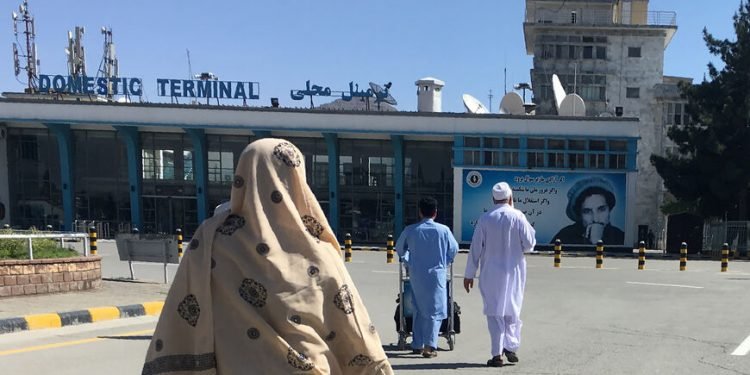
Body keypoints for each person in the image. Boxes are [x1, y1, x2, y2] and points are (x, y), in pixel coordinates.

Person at [142, 139, 393, 375]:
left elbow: (182, 312)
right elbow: (353, 327)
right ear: (295, 179)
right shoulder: (318, 251)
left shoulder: (211, 242)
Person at [464, 182, 536, 367]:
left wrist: (469, 274)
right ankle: (511, 346)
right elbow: (529, 245)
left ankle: (497, 355)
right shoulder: (518, 216)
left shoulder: (485, 219)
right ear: (511, 198)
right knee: (512, 309)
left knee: (494, 312)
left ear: (493, 199)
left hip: (491, 274)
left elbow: (475, 248)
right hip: (514, 272)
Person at [395, 197, 458, 358]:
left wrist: (408, 260)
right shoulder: (444, 230)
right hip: (437, 275)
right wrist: (446, 261)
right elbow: (454, 249)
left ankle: (417, 343)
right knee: (435, 310)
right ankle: (430, 345)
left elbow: (400, 248)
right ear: (435, 212)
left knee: (418, 308)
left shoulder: (411, 230)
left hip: (416, 274)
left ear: (420, 212)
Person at [551, 176, 625, 245]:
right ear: (579, 214)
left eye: (601, 209)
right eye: (587, 212)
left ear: (609, 209)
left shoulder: (620, 237)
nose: (595, 219)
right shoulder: (565, 236)